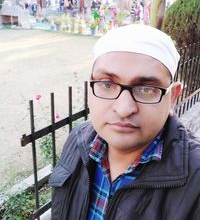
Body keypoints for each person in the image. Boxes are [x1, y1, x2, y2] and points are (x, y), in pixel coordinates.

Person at [49, 24, 200, 220]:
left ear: (172, 97)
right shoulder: (77, 140)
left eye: (146, 89)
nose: (124, 109)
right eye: (107, 84)